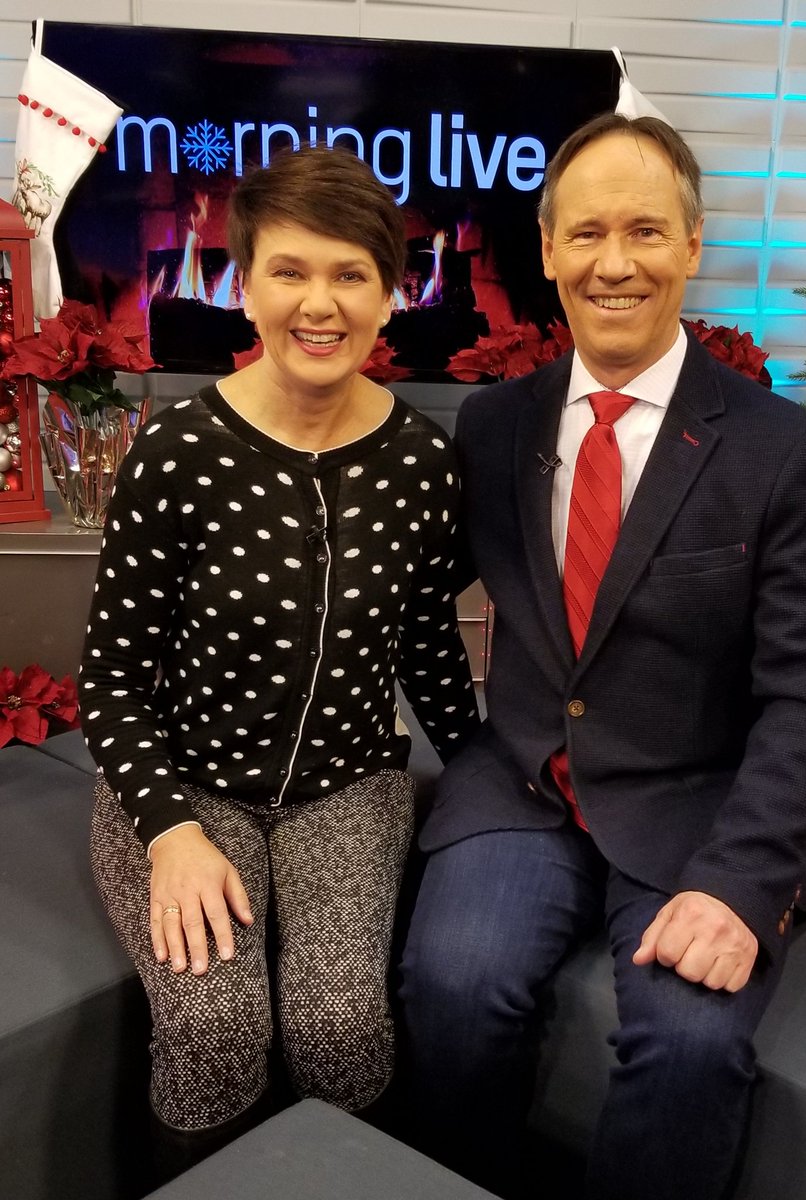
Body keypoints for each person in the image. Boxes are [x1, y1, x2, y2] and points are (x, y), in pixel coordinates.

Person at [398, 113, 806, 1200]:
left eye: (646, 231)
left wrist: (743, 885)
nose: (615, 263)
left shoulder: (782, 451)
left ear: (692, 244)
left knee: (691, 1048)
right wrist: (468, 749)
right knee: (452, 988)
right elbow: (408, 599)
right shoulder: (493, 427)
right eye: (588, 233)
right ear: (548, 251)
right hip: (521, 788)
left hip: (698, 802)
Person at [80, 146, 480, 1172]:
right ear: (246, 284)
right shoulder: (177, 451)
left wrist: (493, 784)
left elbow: (429, 647)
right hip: (181, 790)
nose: (320, 303)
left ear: (389, 295)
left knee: (340, 1029)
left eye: (352, 274)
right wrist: (171, 834)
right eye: (290, 271)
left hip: (347, 791)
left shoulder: (423, 462)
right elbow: (112, 680)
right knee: (214, 1025)